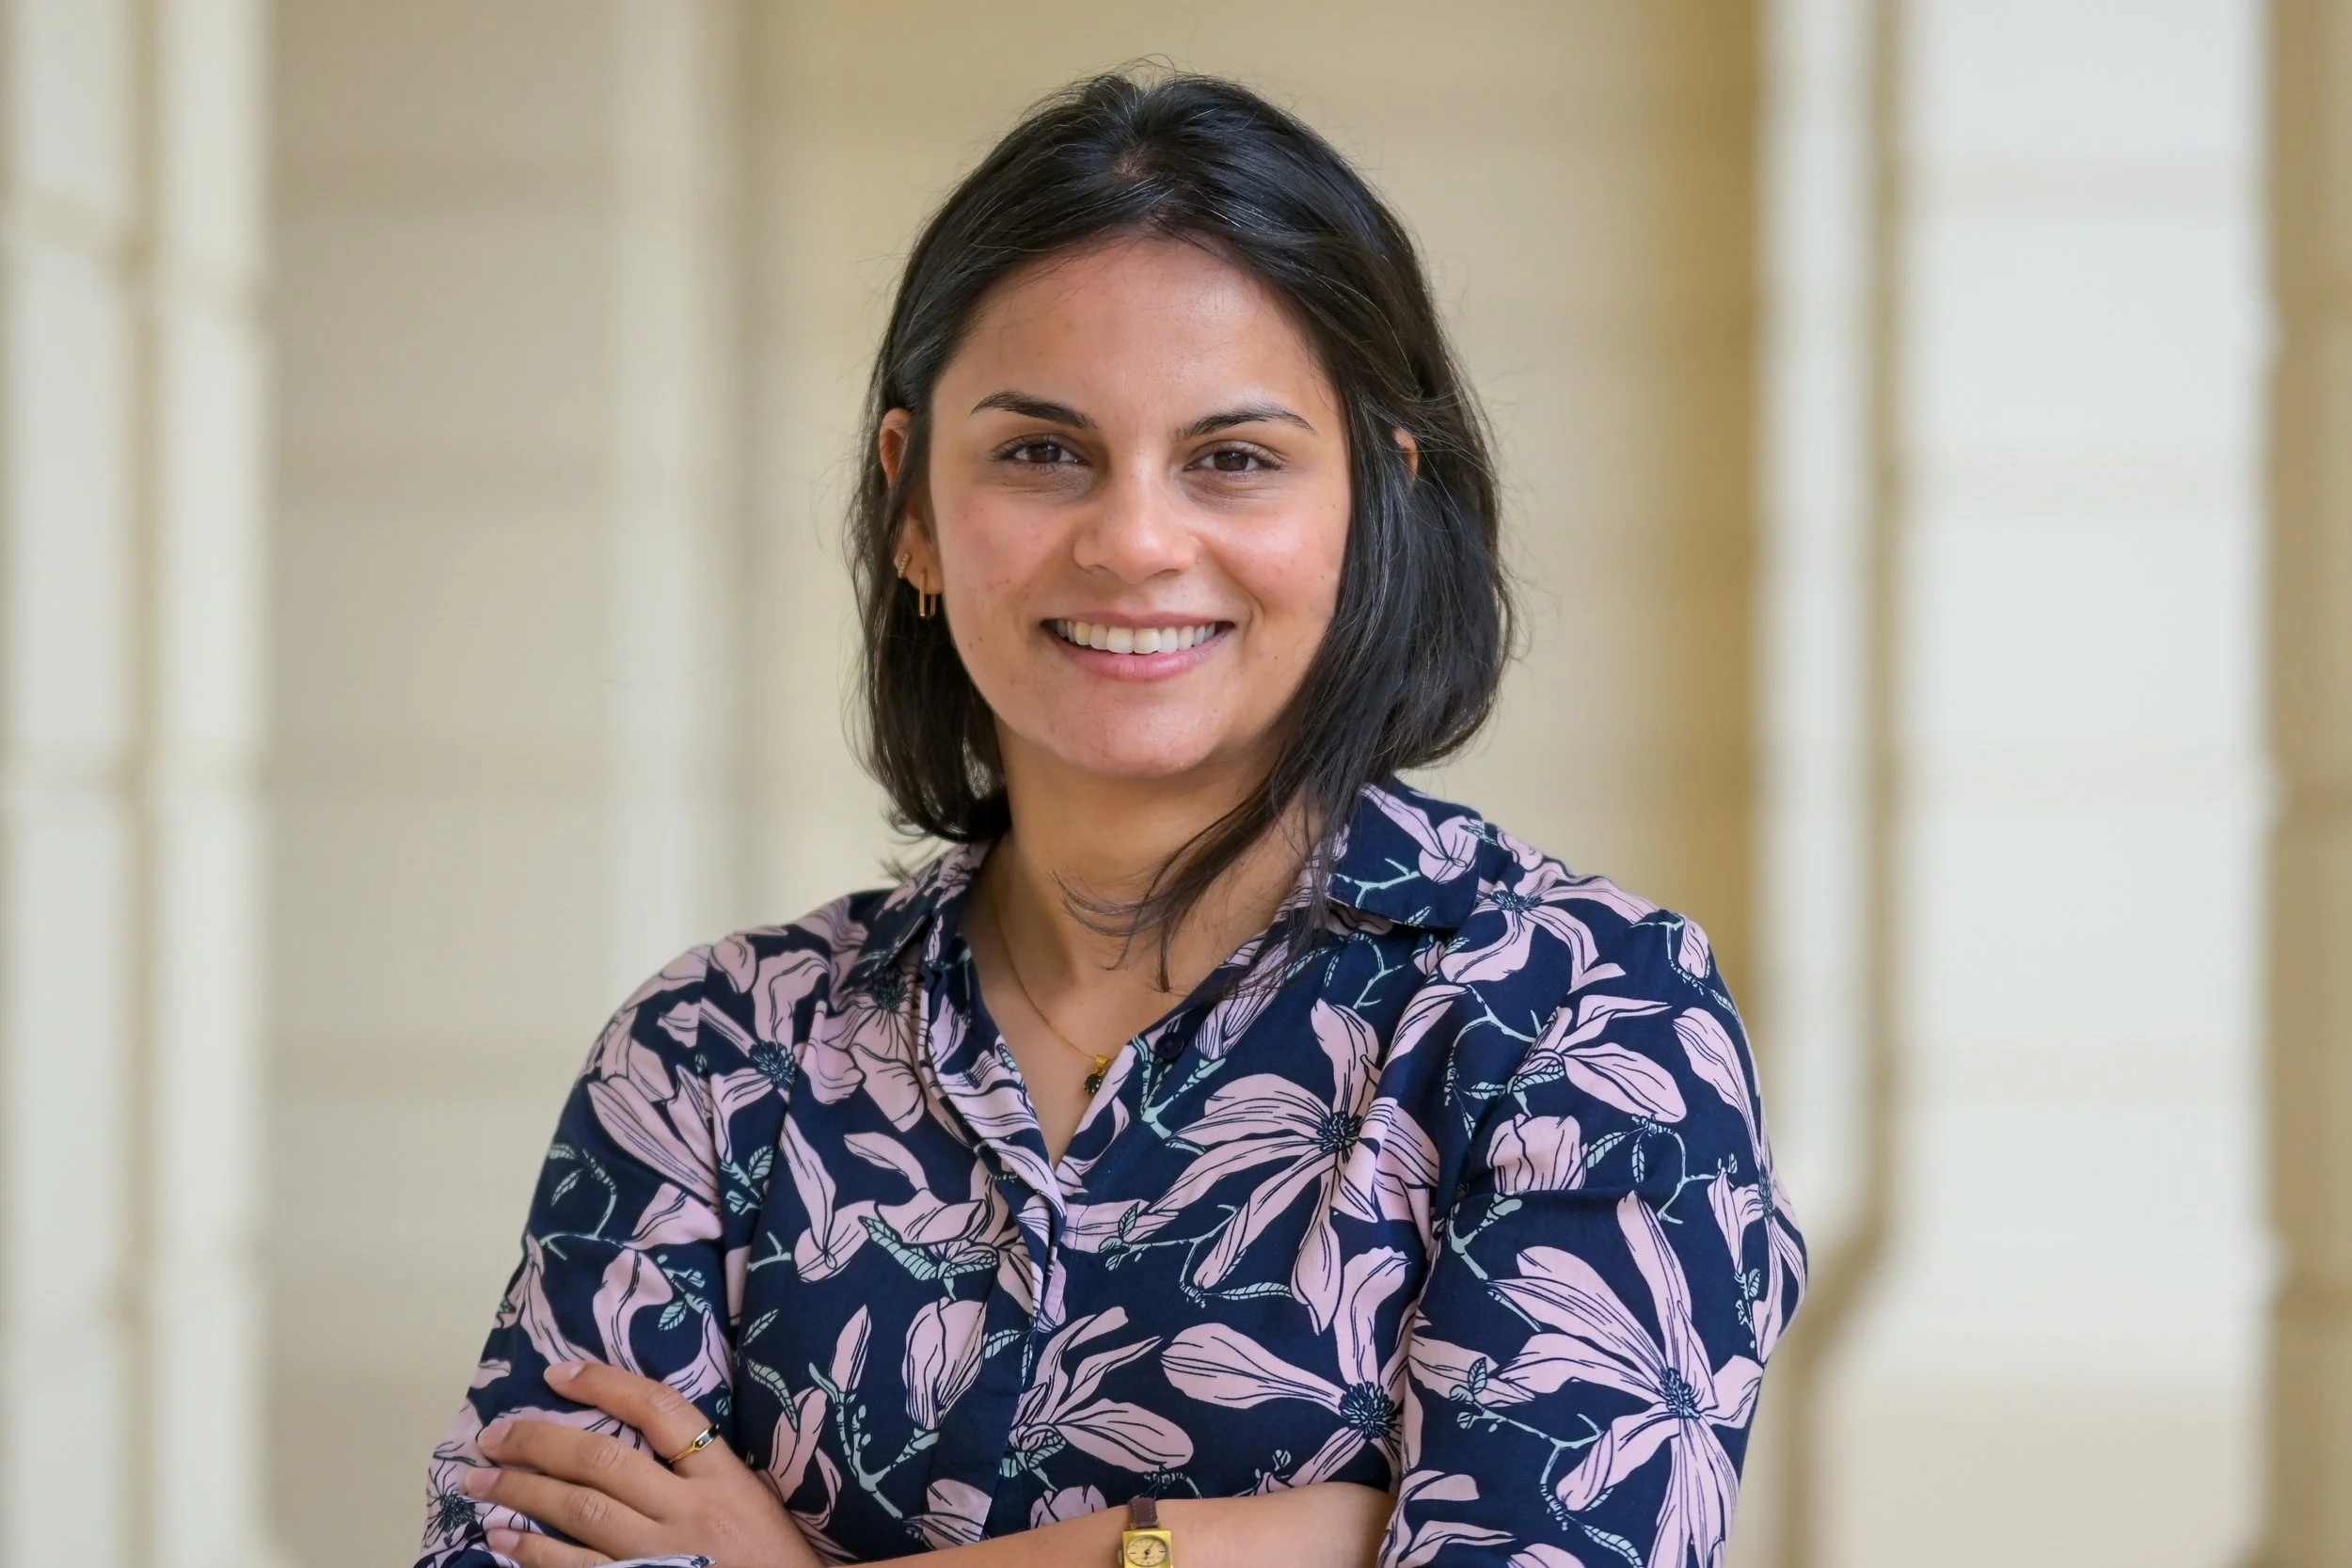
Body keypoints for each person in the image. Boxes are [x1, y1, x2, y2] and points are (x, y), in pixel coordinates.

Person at [417, 70, 1804, 1568]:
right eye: (1040, 451)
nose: (1135, 538)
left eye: (1234, 459)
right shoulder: (708, 1057)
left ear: (1378, 504)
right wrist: (1287, 1542)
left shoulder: (1583, 1018)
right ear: (914, 507)